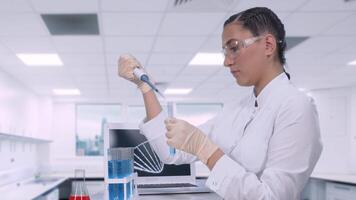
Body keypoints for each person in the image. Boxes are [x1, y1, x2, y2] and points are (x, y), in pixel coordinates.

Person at [118, 7, 322, 200]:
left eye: (234, 48)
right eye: (225, 52)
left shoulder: (296, 106)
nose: (227, 61)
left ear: (268, 45)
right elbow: (171, 153)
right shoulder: (238, 109)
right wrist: (144, 88)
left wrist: (206, 151)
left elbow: (271, 197)